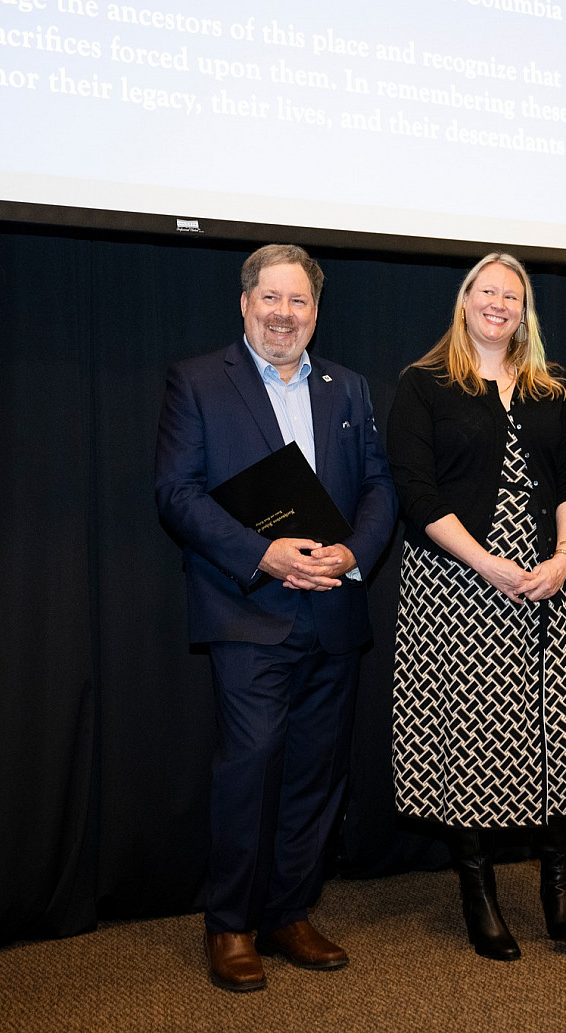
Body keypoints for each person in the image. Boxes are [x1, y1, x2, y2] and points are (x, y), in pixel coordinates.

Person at [155, 244, 397, 991]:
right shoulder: (198, 381)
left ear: (315, 313)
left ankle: (290, 910)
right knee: (249, 767)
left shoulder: (349, 387)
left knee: (316, 774)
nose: (284, 314)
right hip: (248, 609)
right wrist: (263, 554)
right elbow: (176, 493)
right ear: (245, 303)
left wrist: (351, 553)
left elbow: (380, 486)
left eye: (299, 302)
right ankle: (230, 924)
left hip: (333, 607)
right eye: (271, 299)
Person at [387, 252, 566, 961]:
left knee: (551, 734)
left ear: (524, 308)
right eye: (487, 290)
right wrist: (486, 562)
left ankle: (558, 887)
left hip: (543, 579)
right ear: (465, 299)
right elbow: (415, 491)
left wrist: (563, 559)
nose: (499, 302)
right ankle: (479, 893)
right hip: (457, 580)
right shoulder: (425, 384)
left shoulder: (551, 389)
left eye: (513, 294)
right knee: (469, 738)